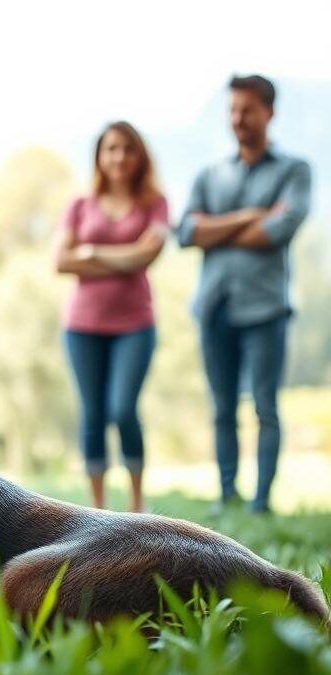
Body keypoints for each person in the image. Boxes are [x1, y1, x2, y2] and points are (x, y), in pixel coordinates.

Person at [177, 75, 311, 515]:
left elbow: (279, 229)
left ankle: (260, 501)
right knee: (222, 408)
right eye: (232, 110)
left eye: (247, 110)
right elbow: (187, 231)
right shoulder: (209, 175)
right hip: (214, 306)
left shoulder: (294, 171)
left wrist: (219, 228)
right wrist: (249, 216)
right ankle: (227, 494)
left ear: (268, 112)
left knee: (265, 407)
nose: (238, 118)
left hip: (266, 308)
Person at [54, 121, 169, 513]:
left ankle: (138, 504)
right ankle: (98, 508)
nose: (119, 156)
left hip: (135, 325)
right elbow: (60, 260)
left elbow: (147, 255)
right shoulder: (80, 205)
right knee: (93, 414)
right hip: (81, 327)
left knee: (122, 409)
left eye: (127, 148)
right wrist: (124, 258)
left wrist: (91, 254)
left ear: (140, 156)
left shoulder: (154, 203)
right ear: (100, 157)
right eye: (111, 149)